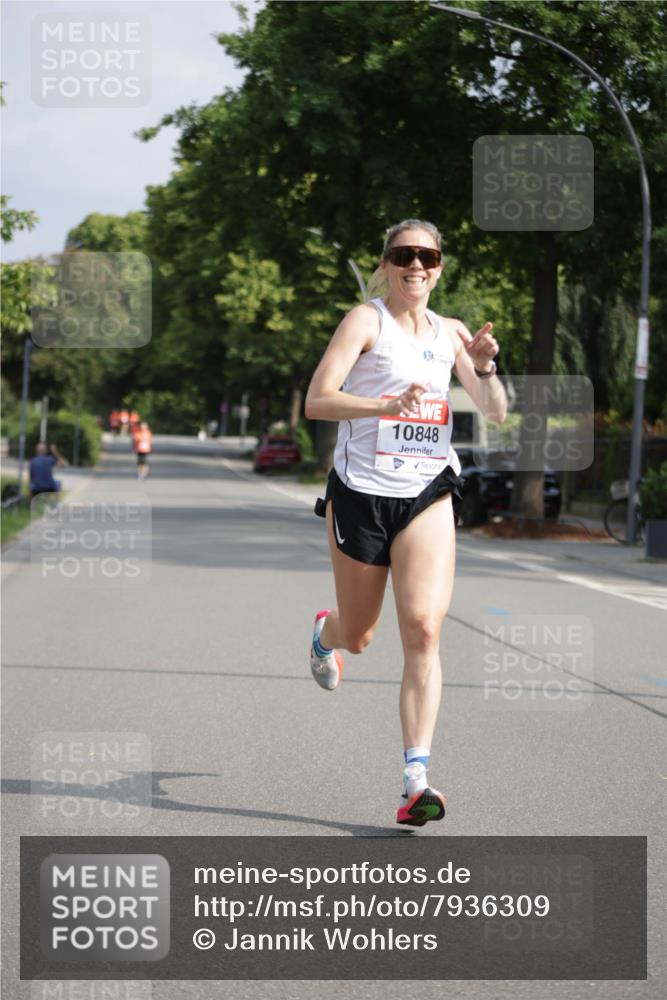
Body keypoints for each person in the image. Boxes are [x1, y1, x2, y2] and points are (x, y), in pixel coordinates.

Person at [304, 219, 507, 827]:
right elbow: (317, 400)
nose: (416, 265)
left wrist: (485, 369)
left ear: (440, 265)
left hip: (426, 491)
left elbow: (495, 413)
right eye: (404, 255)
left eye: (427, 256)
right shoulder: (365, 321)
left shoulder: (451, 334)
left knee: (422, 628)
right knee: (361, 635)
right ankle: (326, 634)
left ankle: (415, 780)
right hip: (361, 494)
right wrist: (382, 406)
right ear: (387, 263)